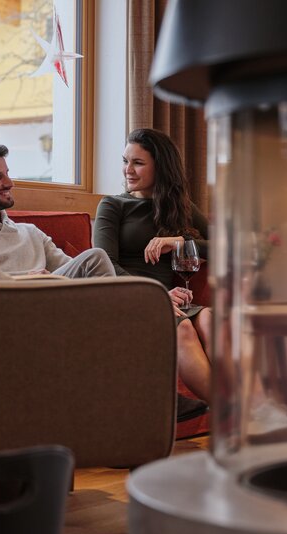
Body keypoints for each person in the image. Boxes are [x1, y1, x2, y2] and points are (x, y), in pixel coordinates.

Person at [94, 128, 212, 404]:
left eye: (137, 163)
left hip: (172, 300)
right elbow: (103, 263)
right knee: (182, 328)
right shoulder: (112, 206)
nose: (128, 170)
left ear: (160, 167)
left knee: (214, 320)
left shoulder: (180, 206)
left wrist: (179, 241)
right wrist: (153, 295)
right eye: (125, 161)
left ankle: (257, 407)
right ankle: (232, 415)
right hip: (132, 297)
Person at [0, 141, 115, 278]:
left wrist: (49, 282)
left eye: (7, 174)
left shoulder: (31, 233)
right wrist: (27, 281)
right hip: (2, 304)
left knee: (96, 257)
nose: (10, 183)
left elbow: (74, 270)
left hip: (50, 300)